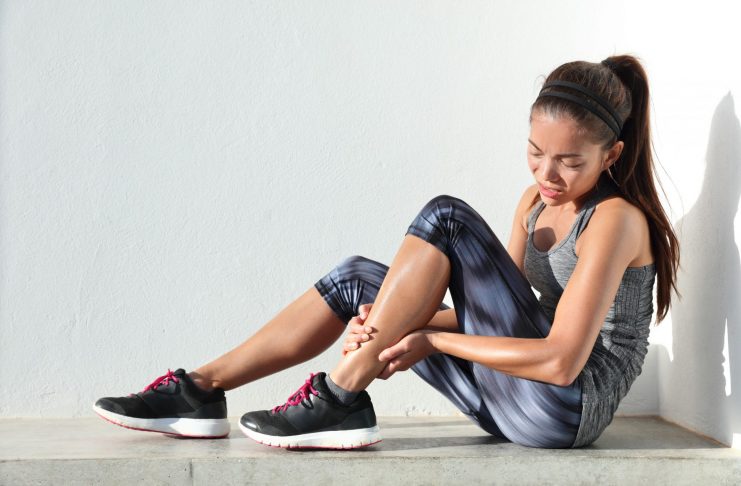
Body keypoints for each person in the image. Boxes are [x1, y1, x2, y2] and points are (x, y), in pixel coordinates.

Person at [93, 54, 680, 450]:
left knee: (446, 218)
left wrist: (427, 339)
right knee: (356, 280)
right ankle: (200, 390)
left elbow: (559, 362)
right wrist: (394, 323)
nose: (546, 174)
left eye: (569, 162)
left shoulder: (616, 220)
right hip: (509, 400)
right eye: (535, 152)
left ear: (611, 155)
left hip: (563, 409)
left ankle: (341, 393)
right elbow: (495, 313)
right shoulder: (534, 203)